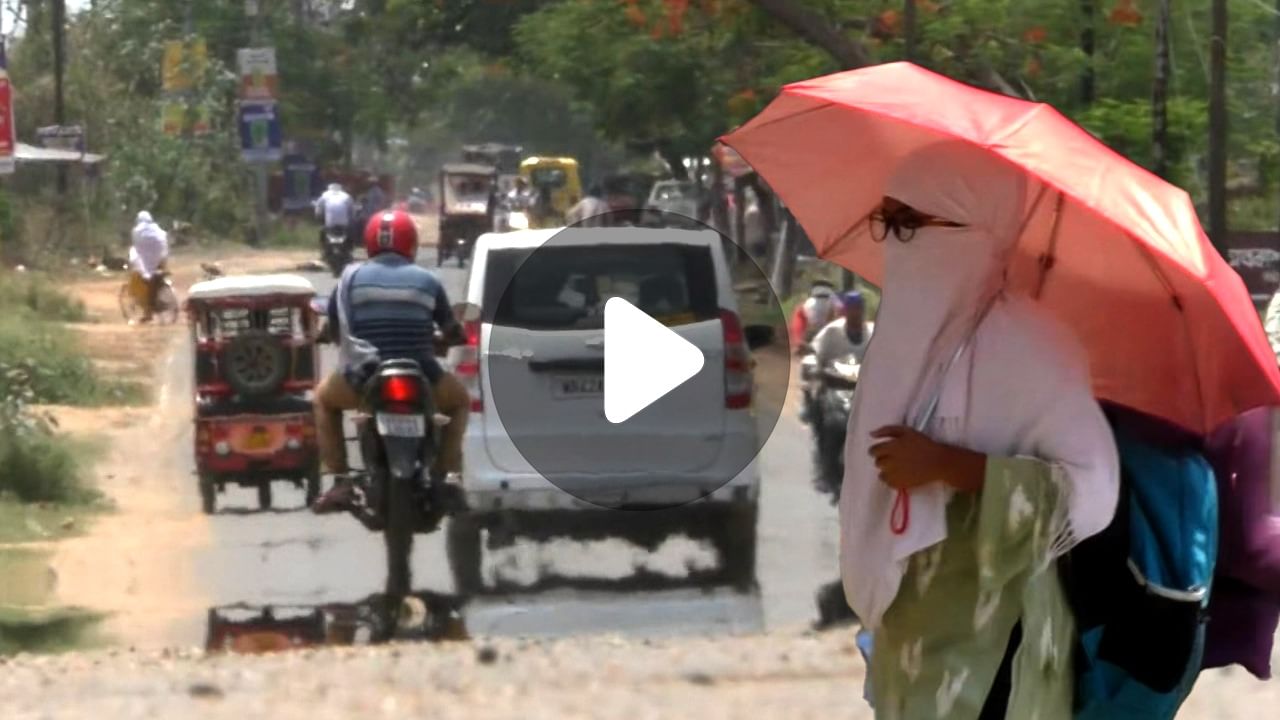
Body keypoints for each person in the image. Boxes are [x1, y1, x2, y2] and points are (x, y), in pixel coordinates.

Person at [839, 142, 1120, 719]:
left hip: (996, 639)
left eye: (912, 223)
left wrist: (952, 467)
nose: (896, 240)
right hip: (910, 635)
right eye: (887, 222)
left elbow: (1092, 492)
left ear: (978, 229)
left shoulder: (1035, 345)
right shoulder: (903, 335)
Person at [312, 210, 470, 513]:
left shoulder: (348, 278)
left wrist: (326, 336)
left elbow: (332, 329)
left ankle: (341, 481)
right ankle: (447, 476)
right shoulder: (429, 280)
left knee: (322, 400)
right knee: (460, 401)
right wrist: (450, 337)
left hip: (364, 378)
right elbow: (450, 330)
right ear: (411, 242)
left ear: (369, 242)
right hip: (421, 374)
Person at [129, 211, 169, 323]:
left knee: (143, 283)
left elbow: (137, 248)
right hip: (161, 261)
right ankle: (151, 309)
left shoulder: (136, 231)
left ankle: (148, 312)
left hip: (147, 264)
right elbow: (164, 246)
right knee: (155, 282)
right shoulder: (158, 230)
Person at [790, 281, 842, 353]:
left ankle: (798, 341)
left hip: (814, 326)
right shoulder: (833, 299)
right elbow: (840, 309)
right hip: (828, 329)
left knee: (799, 312)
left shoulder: (809, 302)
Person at [314, 182, 354, 252]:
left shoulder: (324, 195)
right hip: (344, 223)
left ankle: (323, 248)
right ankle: (349, 248)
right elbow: (352, 211)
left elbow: (318, 210)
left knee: (322, 230)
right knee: (350, 232)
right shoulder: (347, 196)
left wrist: (319, 218)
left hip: (330, 223)